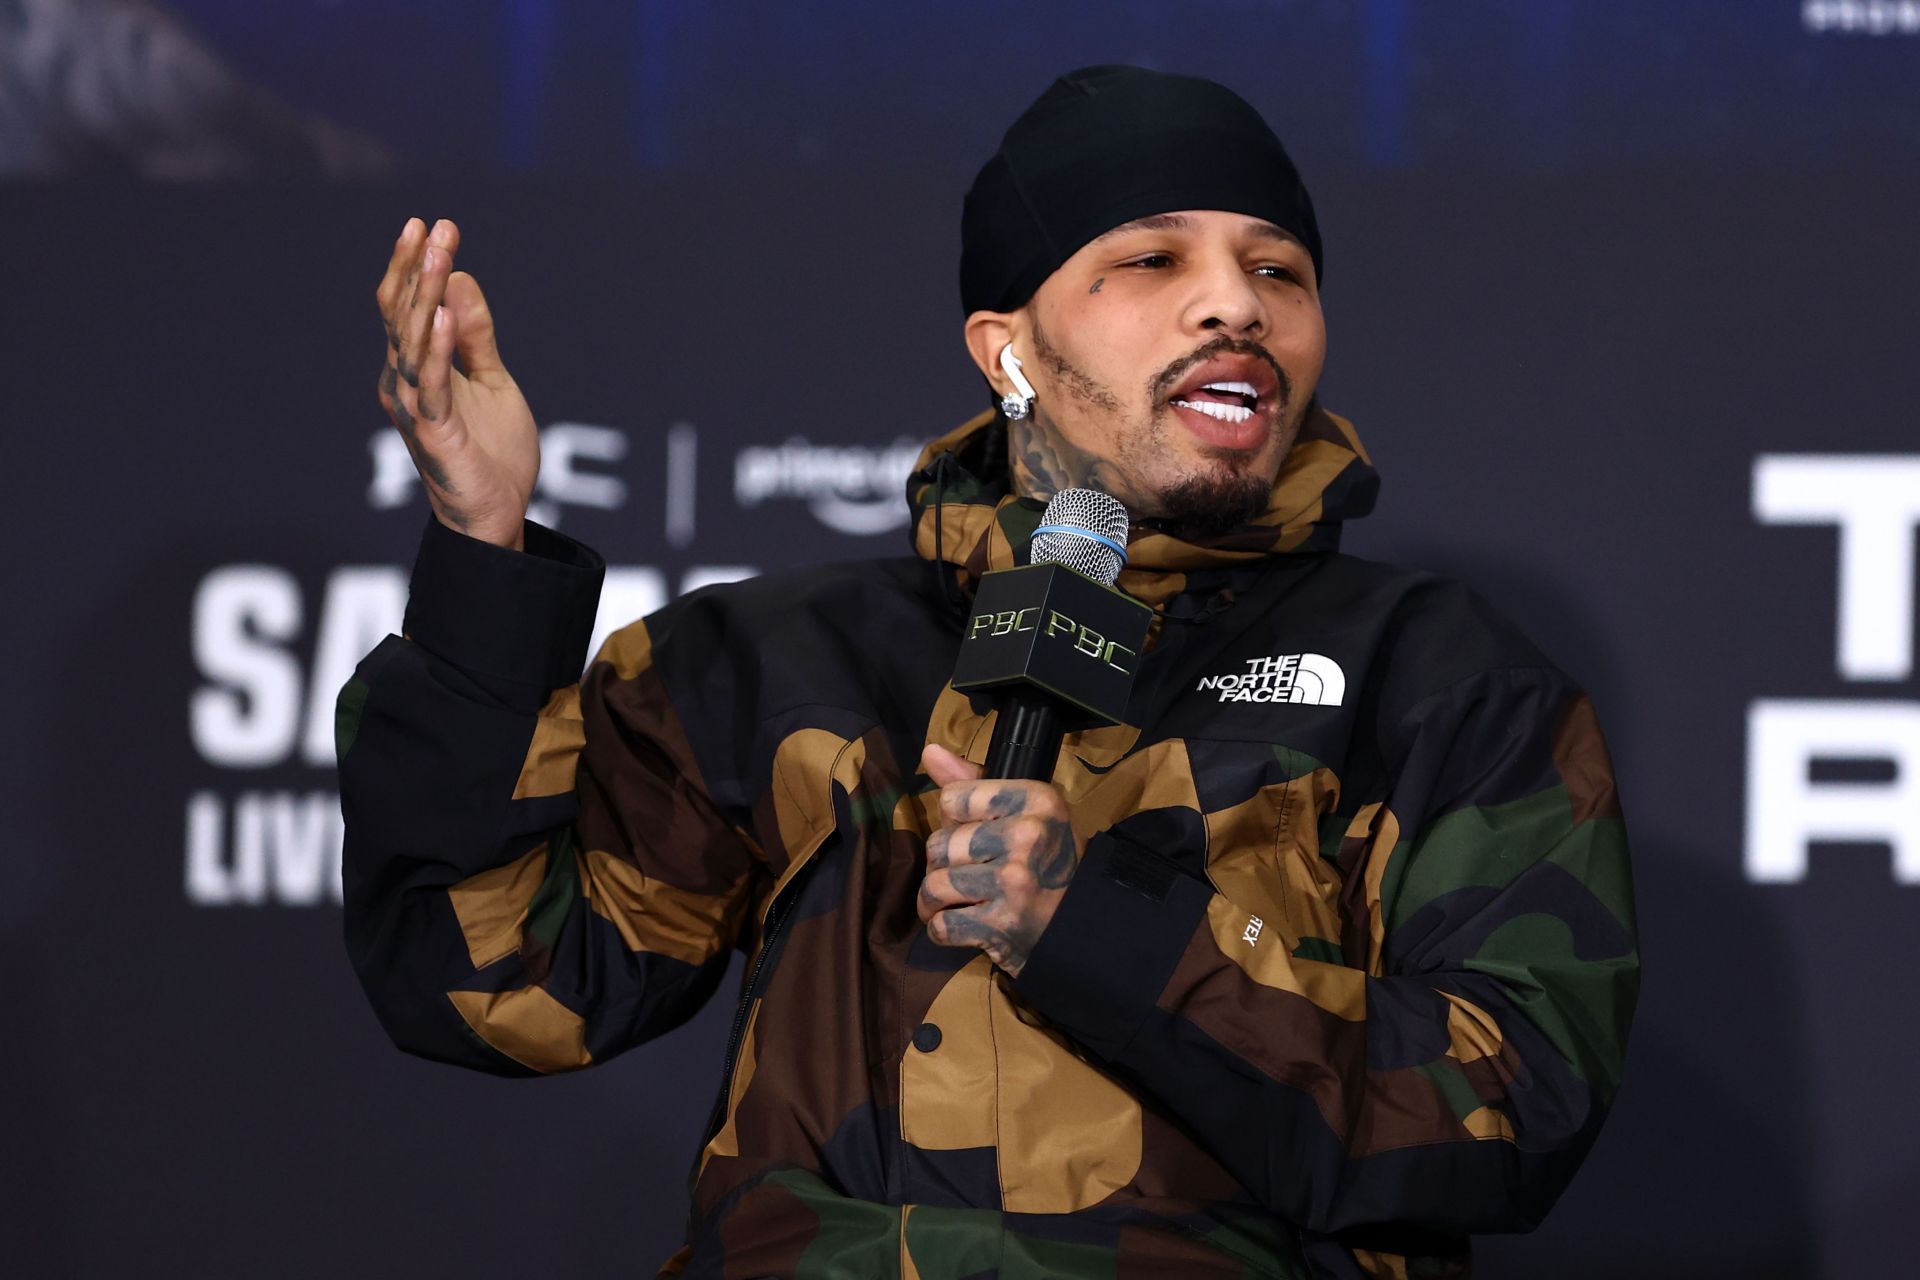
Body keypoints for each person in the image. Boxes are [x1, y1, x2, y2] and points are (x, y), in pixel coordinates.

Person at [340, 66, 1638, 1279]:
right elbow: (495, 985)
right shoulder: (777, 659)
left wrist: (1103, 931)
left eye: (1280, 271)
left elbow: (1504, 1113)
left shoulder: (1440, 680)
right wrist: (484, 550)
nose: (1237, 302)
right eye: (1153, 257)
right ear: (1005, 345)